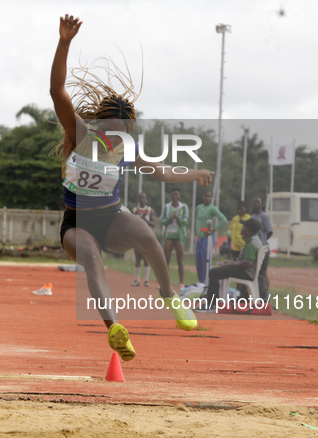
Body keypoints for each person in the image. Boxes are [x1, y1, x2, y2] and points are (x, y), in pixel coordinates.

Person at [50, 14, 214, 361]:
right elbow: (57, 91)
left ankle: (170, 295)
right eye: (109, 130)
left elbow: (163, 173)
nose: (114, 137)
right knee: (92, 258)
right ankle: (115, 330)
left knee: (146, 234)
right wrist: (64, 43)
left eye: (121, 131)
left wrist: (194, 173)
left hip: (112, 219)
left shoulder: (127, 147)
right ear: (98, 124)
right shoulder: (79, 134)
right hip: (77, 225)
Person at [200, 218, 263, 311]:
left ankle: (211, 304)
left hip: (246, 273)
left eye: (243, 227)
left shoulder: (252, 243)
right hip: (246, 271)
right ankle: (213, 302)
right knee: (216, 272)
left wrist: (231, 265)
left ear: (248, 231)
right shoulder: (254, 240)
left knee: (213, 272)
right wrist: (230, 263)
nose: (241, 229)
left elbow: (247, 263)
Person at [194, 190, 227, 284]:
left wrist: (213, 230)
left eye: (209, 196)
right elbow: (198, 219)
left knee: (206, 261)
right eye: (206, 196)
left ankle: (207, 282)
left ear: (212, 198)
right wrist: (196, 230)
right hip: (199, 237)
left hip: (207, 238)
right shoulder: (199, 207)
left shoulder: (213, 208)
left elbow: (223, 219)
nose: (207, 198)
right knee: (198, 261)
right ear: (203, 197)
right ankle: (200, 282)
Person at [160, 189, 189, 289]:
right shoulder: (167, 207)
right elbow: (162, 221)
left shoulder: (184, 207)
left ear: (179, 196)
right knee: (165, 260)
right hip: (169, 236)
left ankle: (181, 283)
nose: (175, 196)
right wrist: (170, 218)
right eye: (173, 194)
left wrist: (178, 218)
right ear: (171, 196)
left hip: (179, 237)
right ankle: (165, 283)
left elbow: (185, 222)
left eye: (177, 194)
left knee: (180, 260)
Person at [131, 193, 155, 287]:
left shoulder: (149, 210)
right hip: (137, 237)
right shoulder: (134, 210)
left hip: (146, 237)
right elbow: (131, 223)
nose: (142, 198)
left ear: (146, 199)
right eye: (140, 197)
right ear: (138, 199)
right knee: (137, 258)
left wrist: (145, 220)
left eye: (144, 197)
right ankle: (137, 280)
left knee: (146, 258)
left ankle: (146, 280)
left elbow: (154, 224)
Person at [251, 196, 273, 295]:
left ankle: (266, 292)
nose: (256, 204)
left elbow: (270, 231)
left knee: (263, 272)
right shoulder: (252, 217)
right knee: (256, 272)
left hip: (263, 249)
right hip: (254, 249)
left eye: (258, 202)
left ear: (261, 204)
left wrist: (262, 241)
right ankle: (257, 292)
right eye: (254, 202)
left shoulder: (264, 216)